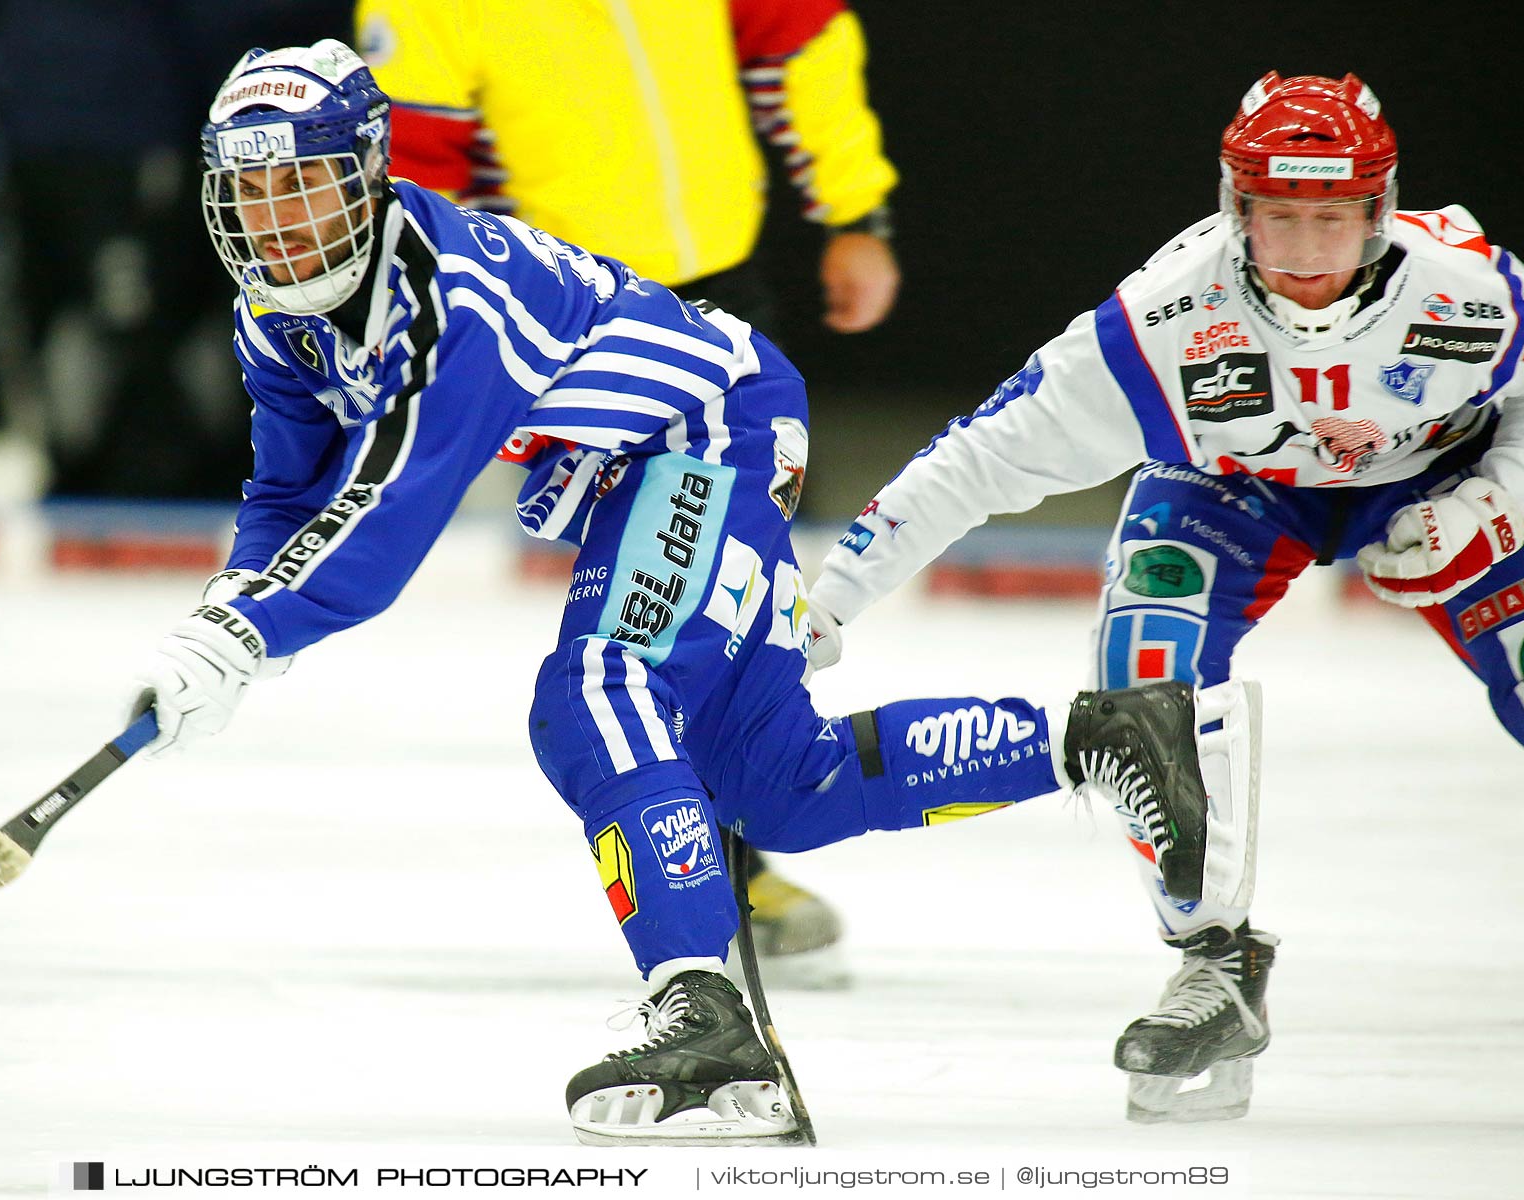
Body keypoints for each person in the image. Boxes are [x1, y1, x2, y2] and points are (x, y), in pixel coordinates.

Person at [126, 39, 1256, 1144]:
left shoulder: (455, 294)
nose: (278, 219)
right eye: (252, 191)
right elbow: (288, 489)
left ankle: (699, 1007)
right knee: (780, 783)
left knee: (596, 690)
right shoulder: (274, 314)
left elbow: (394, 505)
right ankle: (1103, 736)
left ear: (369, 173)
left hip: (704, 434)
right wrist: (224, 616)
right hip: (648, 458)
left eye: (305, 183)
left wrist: (248, 632)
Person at [805, 71, 1524, 1123]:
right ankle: (1213, 963)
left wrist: (1495, 500)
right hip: (1231, 491)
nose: (1299, 256)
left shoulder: (1474, 291)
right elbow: (978, 462)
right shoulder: (1163, 320)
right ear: (1230, 206)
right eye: (1273, 217)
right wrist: (825, 605)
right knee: (1140, 684)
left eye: (1330, 220)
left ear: (1381, 211)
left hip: (1445, 487)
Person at [354, 0, 901, 974]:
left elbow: (800, 37)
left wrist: (854, 210)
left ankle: (732, 836)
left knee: (730, 594)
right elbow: (417, 184)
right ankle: (712, 858)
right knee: (651, 616)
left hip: (723, 295)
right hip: (585, 335)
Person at [354, 0, 900, 341]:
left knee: (737, 507)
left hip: (721, 288)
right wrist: (438, 307)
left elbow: (803, 52)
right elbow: (413, 163)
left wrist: (855, 217)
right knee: (566, 519)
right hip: (550, 311)